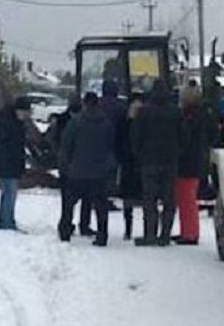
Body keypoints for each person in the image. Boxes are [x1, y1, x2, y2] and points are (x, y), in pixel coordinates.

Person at [58, 92, 116, 246]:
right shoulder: (106, 123)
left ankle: (65, 232)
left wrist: (65, 166)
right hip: (99, 172)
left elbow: (66, 146)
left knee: (69, 204)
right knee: (100, 206)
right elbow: (111, 146)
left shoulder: (75, 122)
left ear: (84, 104)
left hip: (77, 171)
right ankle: (102, 235)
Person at [130, 79, 180, 246]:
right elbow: (184, 136)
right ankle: (165, 235)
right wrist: (177, 153)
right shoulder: (176, 112)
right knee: (169, 200)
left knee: (149, 200)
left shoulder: (144, 111)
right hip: (170, 161)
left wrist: (139, 155)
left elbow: (135, 136)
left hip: (149, 161)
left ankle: (150, 234)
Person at [175, 85, 210, 245]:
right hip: (197, 161)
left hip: (188, 163)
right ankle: (187, 231)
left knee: (187, 199)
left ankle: (190, 233)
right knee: (187, 198)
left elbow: (185, 140)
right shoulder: (202, 115)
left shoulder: (190, 117)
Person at [0, 96, 32, 231]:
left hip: (11, 162)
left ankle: (6, 220)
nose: (26, 116)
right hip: (7, 162)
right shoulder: (8, 123)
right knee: (10, 193)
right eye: (25, 113)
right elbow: (7, 144)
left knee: (8, 193)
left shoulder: (11, 121)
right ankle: (7, 222)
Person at [115, 90, 144, 240]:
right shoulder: (147, 121)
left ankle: (128, 230)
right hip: (141, 164)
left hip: (129, 164)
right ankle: (147, 230)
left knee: (129, 200)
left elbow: (118, 142)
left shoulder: (123, 121)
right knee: (146, 198)